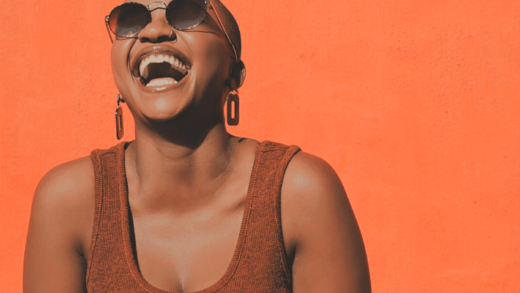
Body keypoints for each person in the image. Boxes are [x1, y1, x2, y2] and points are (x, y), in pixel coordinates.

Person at [23, 0, 371, 292]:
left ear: (234, 73)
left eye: (187, 11)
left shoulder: (299, 195)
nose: (153, 31)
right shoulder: (68, 203)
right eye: (130, 19)